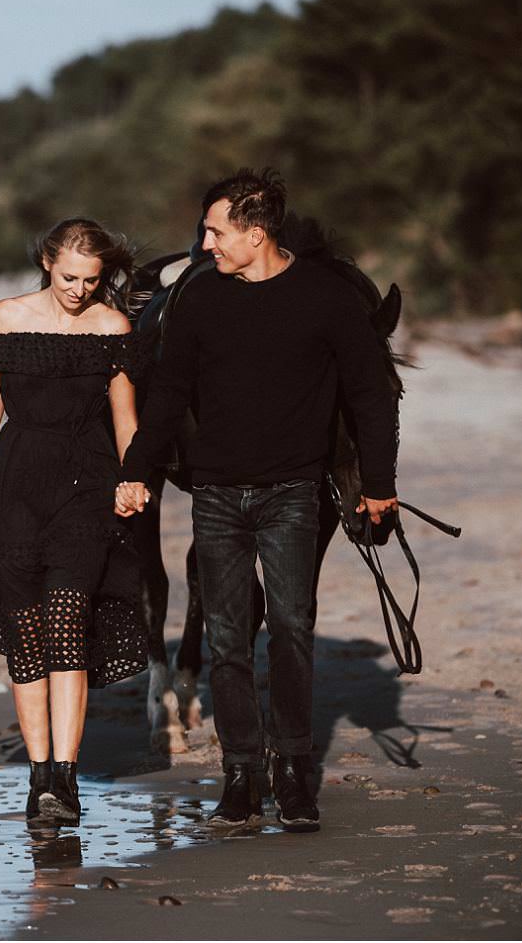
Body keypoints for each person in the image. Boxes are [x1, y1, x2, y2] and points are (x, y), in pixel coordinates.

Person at [115, 169, 398, 834]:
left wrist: (380, 485)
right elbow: (169, 395)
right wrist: (136, 470)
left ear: (255, 232)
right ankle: (241, 774)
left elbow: (370, 395)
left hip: (293, 494)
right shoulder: (201, 298)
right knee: (228, 638)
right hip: (214, 493)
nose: (204, 242)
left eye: (215, 231)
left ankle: (295, 772)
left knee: (292, 631)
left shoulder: (327, 298)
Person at [0, 217, 149, 826]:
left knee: (68, 620)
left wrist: (132, 478)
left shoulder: (112, 326)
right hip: (15, 486)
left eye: (91, 279)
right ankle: (39, 777)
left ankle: (65, 779)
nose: (79, 289)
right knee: (26, 636)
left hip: (86, 486)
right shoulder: (7, 317)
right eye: (70, 276)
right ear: (46, 261)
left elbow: (126, 419)